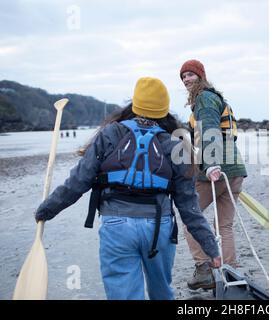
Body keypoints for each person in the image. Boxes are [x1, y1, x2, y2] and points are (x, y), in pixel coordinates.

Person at [34, 77, 221, 300]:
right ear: (164, 109)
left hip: (117, 227)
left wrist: (45, 210)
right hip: (158, 229)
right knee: (162, 292)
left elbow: (77, 182)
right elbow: (189, 206)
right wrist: (212, 249)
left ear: (135, 105)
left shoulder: (110, 134)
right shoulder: (176, 143)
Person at [179, 59, 247, 290]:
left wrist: (211, 164)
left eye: (190, 75)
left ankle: (204, 269)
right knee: (224, 227)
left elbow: (210, 130)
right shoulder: (216, 98)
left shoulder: (205, 99)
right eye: (183, 76)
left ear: (201, 76)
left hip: (216, 171)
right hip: (235, 169)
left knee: (191, 219)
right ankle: (231, 271)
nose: (187, 79)